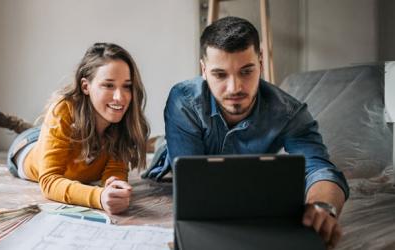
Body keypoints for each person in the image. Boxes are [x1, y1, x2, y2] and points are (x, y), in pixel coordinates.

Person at [145, 16, 349, 248]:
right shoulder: (183, 100)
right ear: (204, 70)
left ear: (260, 63)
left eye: (246, 71)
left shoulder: (289, 113)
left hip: (248, 162)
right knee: (165, 150)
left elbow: (321, 168)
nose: (234, 88)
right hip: (181, 151)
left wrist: (323, 207)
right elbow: (195, 187)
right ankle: (155, 142)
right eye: (220, 74)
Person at [0, 42, 150, 215]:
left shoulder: (124, 122)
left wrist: (114, 187)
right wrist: (98, 197)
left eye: (127, 86)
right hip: (26, 147)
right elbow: (49, 181)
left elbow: (115, 170)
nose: (120, 97)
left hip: (66, 134)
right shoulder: (63, 109)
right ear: (86, 86)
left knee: (44, 129)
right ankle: (9, 121)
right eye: (108, 85)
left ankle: (30, 126)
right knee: (32, 131)